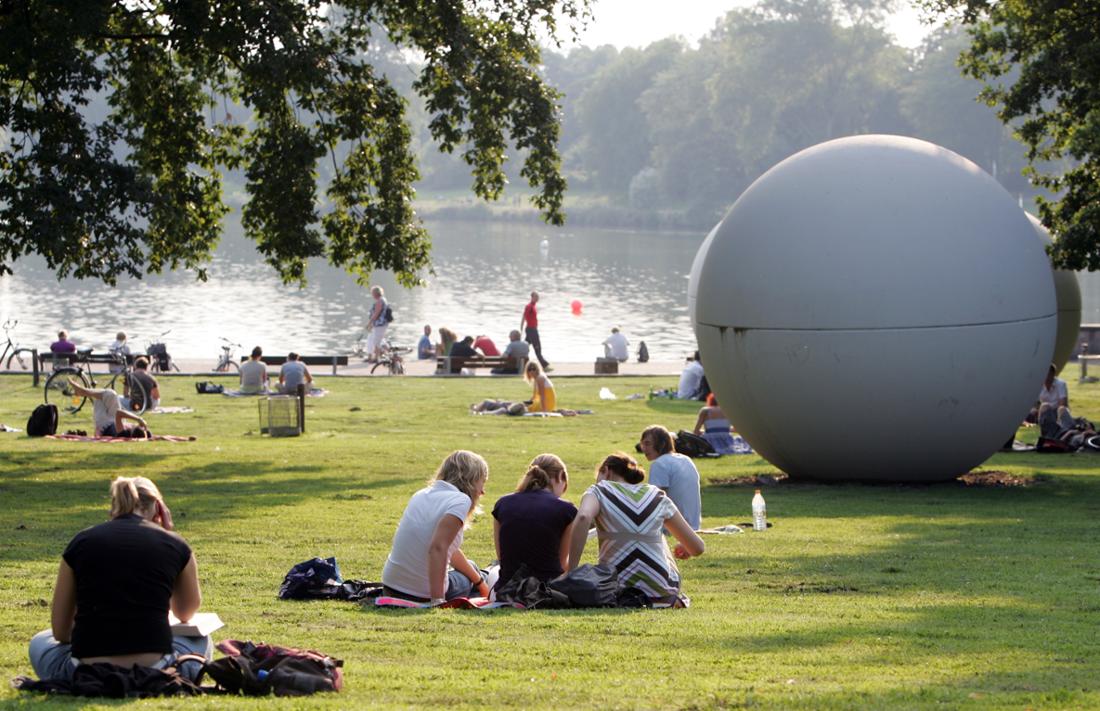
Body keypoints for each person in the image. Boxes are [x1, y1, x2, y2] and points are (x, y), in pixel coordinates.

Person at [28, 476, 211, 682]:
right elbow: (185, 613)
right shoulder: (175, 545)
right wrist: (168, 539)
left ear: (113, 507)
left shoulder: (81, 542)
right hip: (155, 669)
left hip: (86, 668)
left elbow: (61, 632)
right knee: (201, 638)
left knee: (40, 642)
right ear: (159, 508)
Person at [567, 452, 705, 606]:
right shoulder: (657, 495)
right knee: (656, 533)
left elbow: (583, 517)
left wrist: (571, 572)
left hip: (613, 588)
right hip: (662, 593)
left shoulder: (599, 490)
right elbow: (698, 548)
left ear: (606, 470)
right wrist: (685, 546)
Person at [382, 450, 492, 604]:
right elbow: (438, 548)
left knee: (472, 569)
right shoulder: (460, 500)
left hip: (391, 586)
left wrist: (479, 582)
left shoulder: (421, 494)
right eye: (482, 482)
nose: (482, 491)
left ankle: (480, 581)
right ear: (472, 480)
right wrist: (437, 599)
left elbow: (448, 549)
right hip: (420, 593)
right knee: (473, 571)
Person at [492, 454, 577, 592]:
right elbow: (561, 564)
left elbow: (503, 558)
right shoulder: (567, 511)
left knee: (493, 571)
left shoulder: (502, 504)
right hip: (547, 589)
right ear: (561, 476)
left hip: (508, 589)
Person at [639, 425, 702, 530]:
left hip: (673, 529)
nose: (644, 449)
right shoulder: (686, 459)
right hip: (693, 526)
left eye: (648, 444)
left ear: (662, 444)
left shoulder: (660, 464)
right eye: (643, 444)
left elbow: (654, 500)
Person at [67, 379, 149, 438]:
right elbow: (144, 432)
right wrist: (142, 426)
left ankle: (83, 392)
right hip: (114, 420)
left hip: (104, 424)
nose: (137, 425)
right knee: (111, 394)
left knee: (101, 398)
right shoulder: (141, 433)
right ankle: (83, 392)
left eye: (137, 426)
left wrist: (138, 419)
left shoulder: (124, 434)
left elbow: (119, 413)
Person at [520, 291, 550, 370]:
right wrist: (521, 327)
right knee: (537, 346)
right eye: (536, 297)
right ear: (532, 297)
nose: (537, 298)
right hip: (531, 330)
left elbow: (526, 316)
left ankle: (521, 361)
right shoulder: (529, 306)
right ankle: (544, 365)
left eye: (538, 297)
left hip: (532, 329)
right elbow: (525, 315)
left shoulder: (533, 306)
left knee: (525, 347)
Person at [365, 285, 389, 361]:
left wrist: (369, 323)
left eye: (372, 293)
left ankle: (376, 358)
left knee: (376, 342)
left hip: (380, 324)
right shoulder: (383, 300)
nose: (372, 295)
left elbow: (376, 314)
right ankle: (375, 356)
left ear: (375, 293)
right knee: (376, 340)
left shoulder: (380, 301)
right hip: (380, 324)